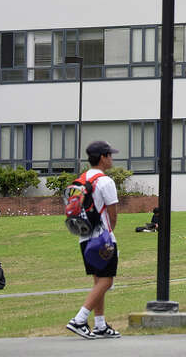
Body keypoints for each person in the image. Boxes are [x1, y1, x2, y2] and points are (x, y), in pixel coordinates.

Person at [65, 140, 121, 339]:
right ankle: (79, 319)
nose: (112, 159)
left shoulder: (81, 179)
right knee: (106, 280)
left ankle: (100, 325)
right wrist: (109, 233)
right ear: (103, 157)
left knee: (98, 281)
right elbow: (113, 214)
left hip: (84, 237)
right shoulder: (105, 181)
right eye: (110, 155)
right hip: (102, 237)